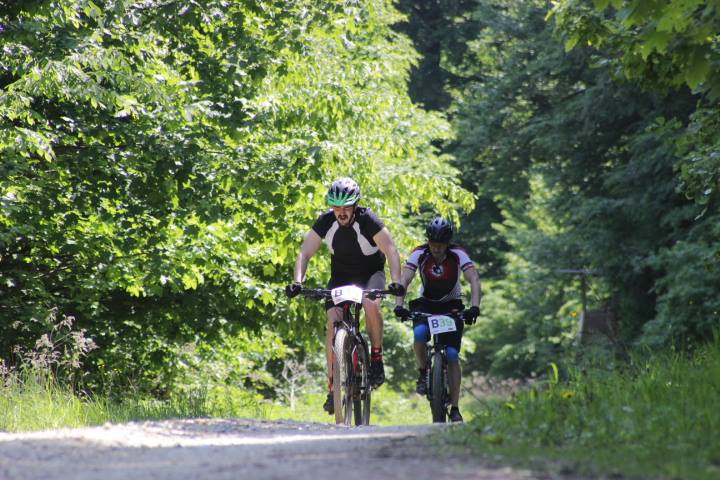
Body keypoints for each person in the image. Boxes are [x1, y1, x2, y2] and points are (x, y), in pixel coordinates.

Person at [285, 177, 405, 415]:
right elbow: (305, 252)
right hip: (341, 278)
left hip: (371, 274)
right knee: (332, 323)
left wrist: (396, 282)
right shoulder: (325, 221)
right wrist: (298, 281)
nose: (340, 212)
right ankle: (333, 389)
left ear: (355, 205)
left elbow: (390, 249)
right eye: (336, 207)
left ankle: (377, 358)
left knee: (371, 305)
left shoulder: (368, 220)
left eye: (345, 207)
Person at [393, 217, 481, 423]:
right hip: (427, 304)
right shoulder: (419, 252)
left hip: (451, 306)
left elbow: (474, 279)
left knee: (451, 354)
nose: (437, 249)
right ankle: (423, 373)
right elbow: (405, 279)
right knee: (419, 334)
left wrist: (475, 307)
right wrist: (399, 304)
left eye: (441, 245)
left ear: (448, 243)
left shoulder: (458, 254)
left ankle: (456, 408)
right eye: (433, 244)